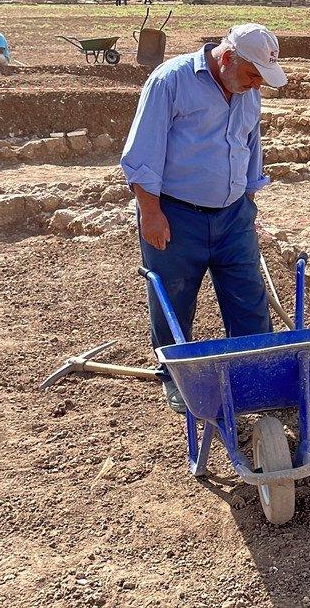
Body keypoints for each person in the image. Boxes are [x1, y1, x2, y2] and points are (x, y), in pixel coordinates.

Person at [120, 23, 287, 413]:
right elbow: (142, 153)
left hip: (233, 217)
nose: (256, 86)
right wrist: (150, 212)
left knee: (248, 297)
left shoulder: (247, 91)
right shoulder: (171, 81)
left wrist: (248, 202)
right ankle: (178, 377)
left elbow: (250, 146)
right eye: (252, 75)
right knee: (173, 299)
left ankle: (254, 374)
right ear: (227, 58)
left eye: (263, 79)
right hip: (176, 216)